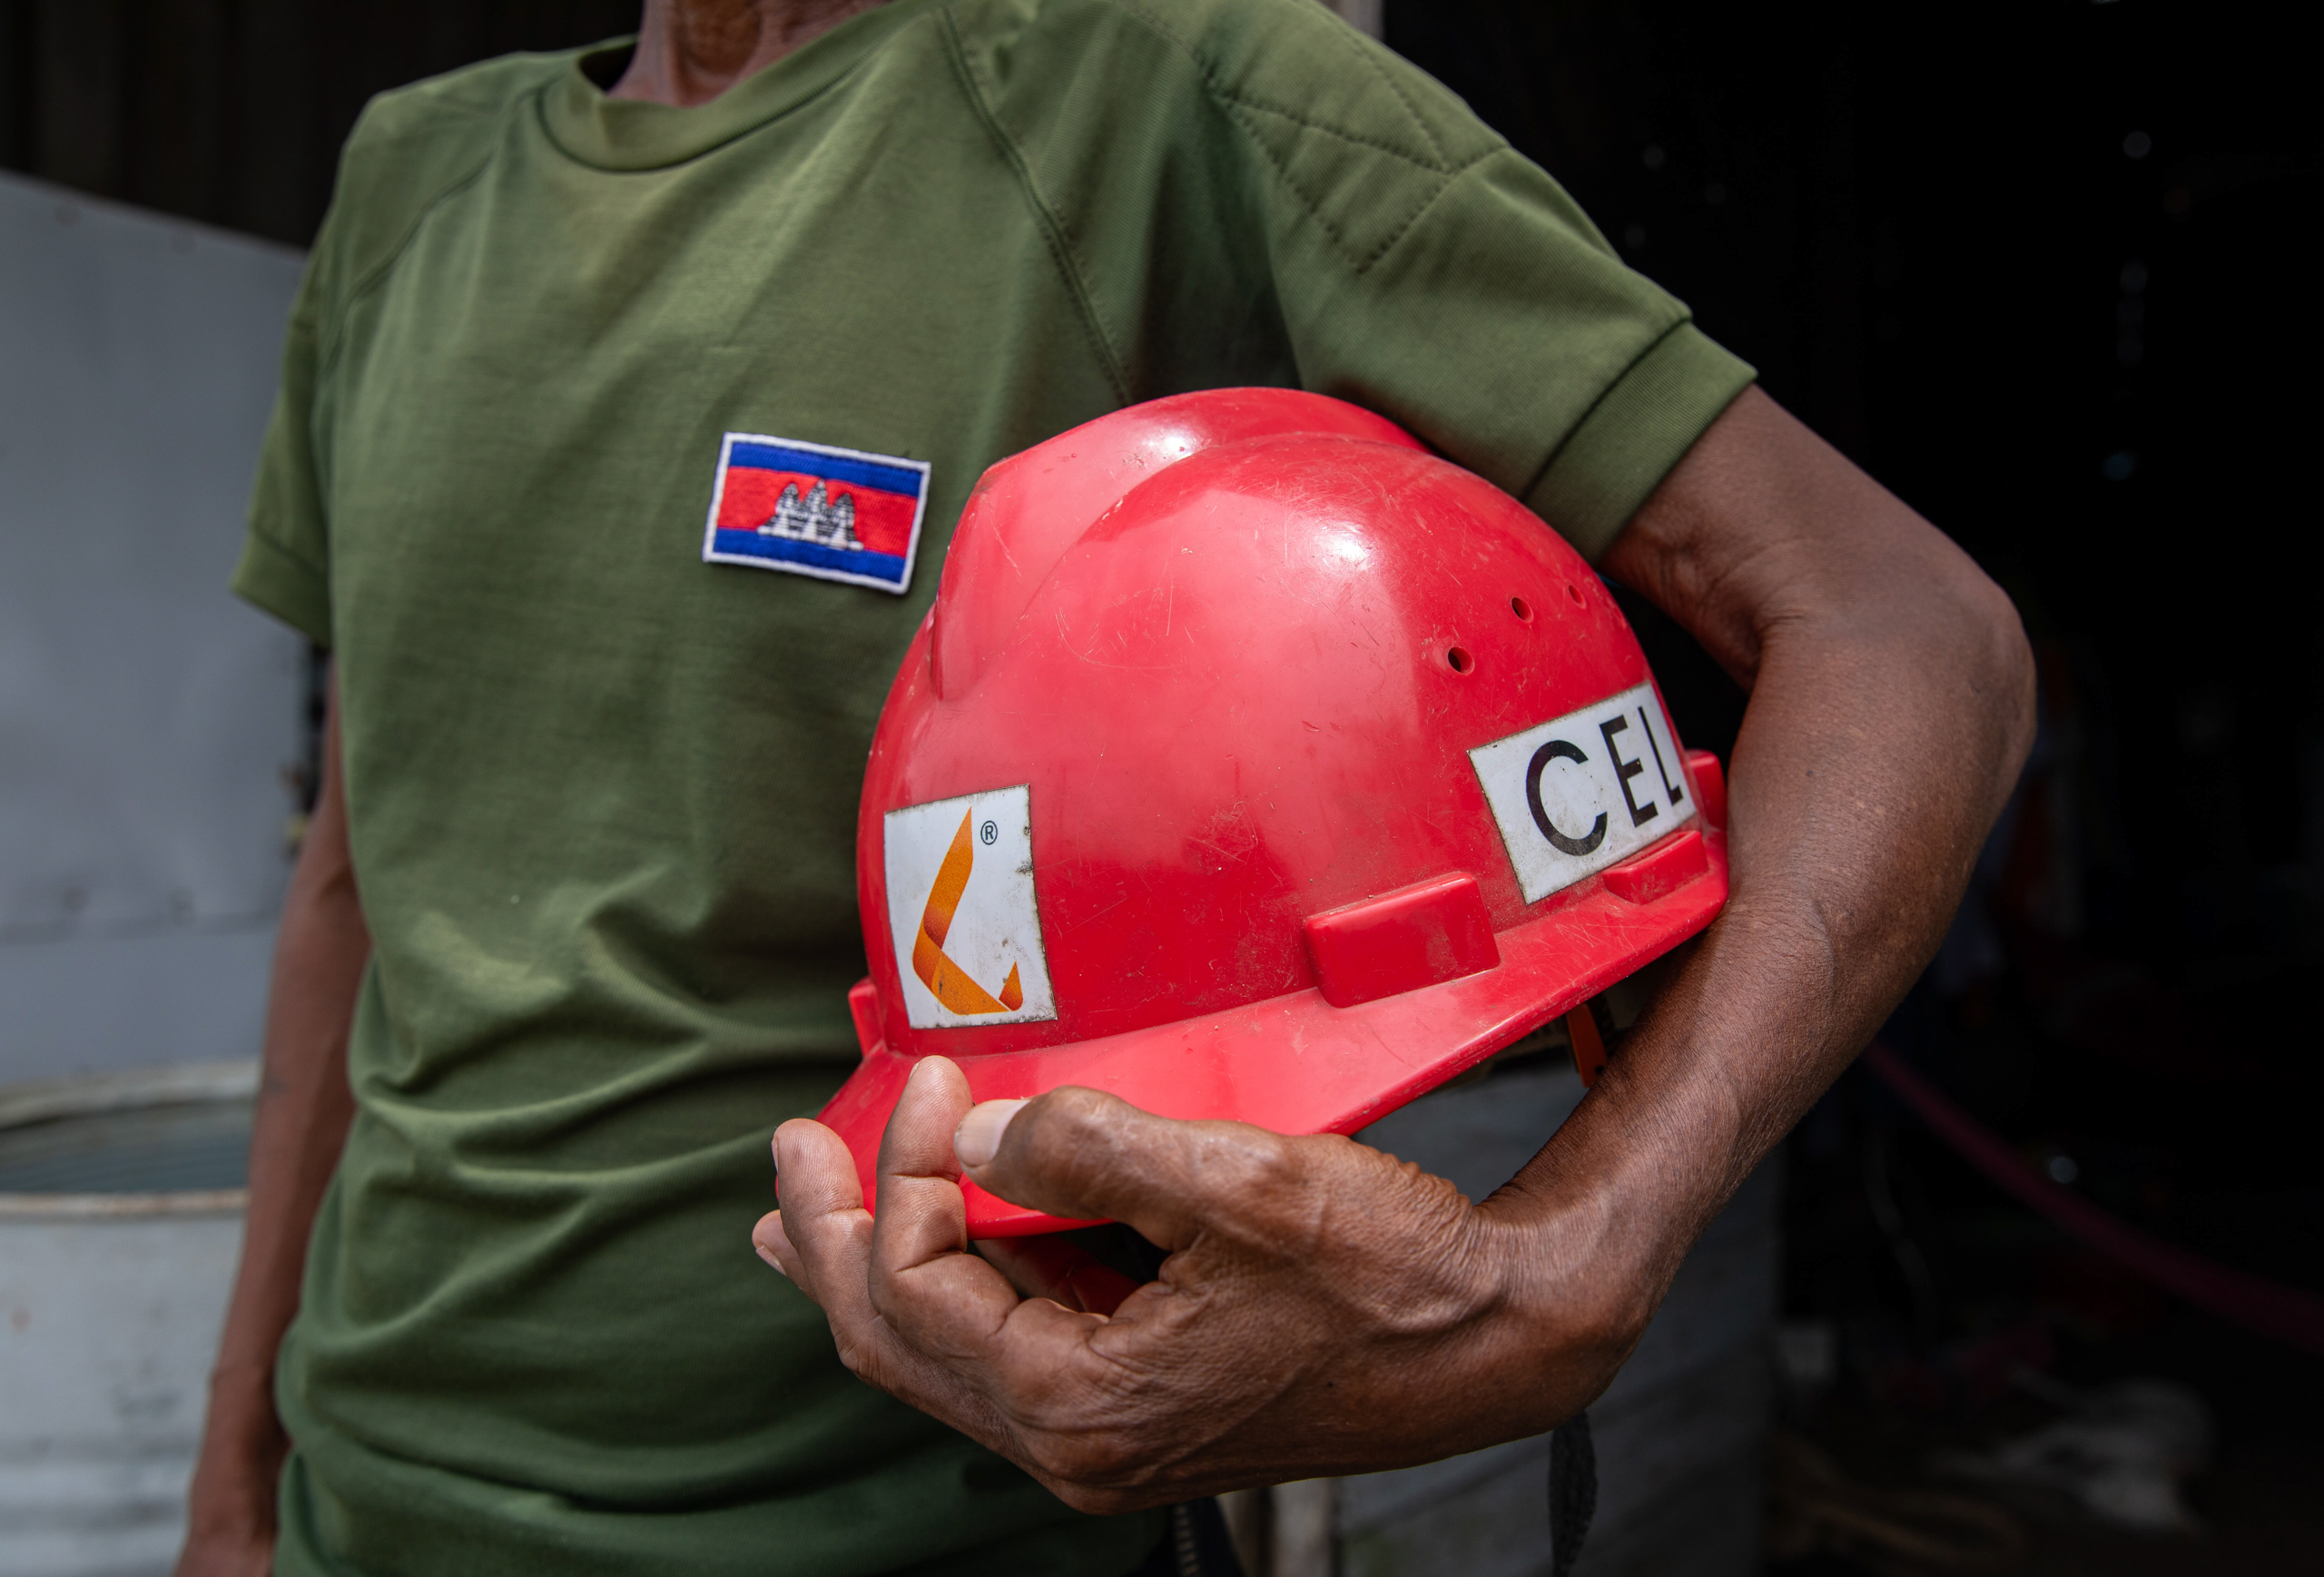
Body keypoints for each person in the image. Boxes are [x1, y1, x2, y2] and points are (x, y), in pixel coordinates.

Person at [178, 0, 2034, 1573]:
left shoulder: (1171, 87)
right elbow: (359, 873)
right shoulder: (411, 178)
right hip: (371, 1492)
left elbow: (1897, 626)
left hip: (913, 1522)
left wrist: (1575, 1253)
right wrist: (234, 1447)